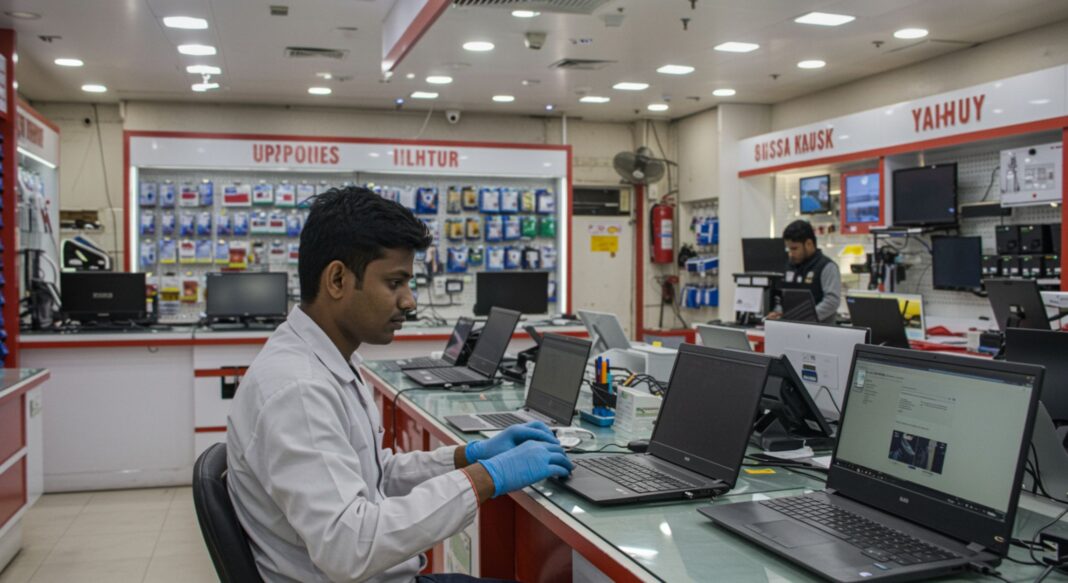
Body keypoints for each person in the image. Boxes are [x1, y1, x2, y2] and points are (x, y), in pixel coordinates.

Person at [226, 186, 573, 583]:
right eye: (395, 283)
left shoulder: (329, 360)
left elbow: (375, 476)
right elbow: (348, 545)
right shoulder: (298, 388)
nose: (409, 301)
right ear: (337, 279)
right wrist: (486, 477)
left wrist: (469, 455)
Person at [765, 219, 842, 324]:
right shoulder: (788, 266)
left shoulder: (827, 267)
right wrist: (778, 313)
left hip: (820, 333)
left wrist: (805, 318)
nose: (791, 254)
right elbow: (781, 299)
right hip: (791, 330)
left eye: (794, 248)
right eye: (788, 249)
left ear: (809, 244)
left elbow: (832, 302)